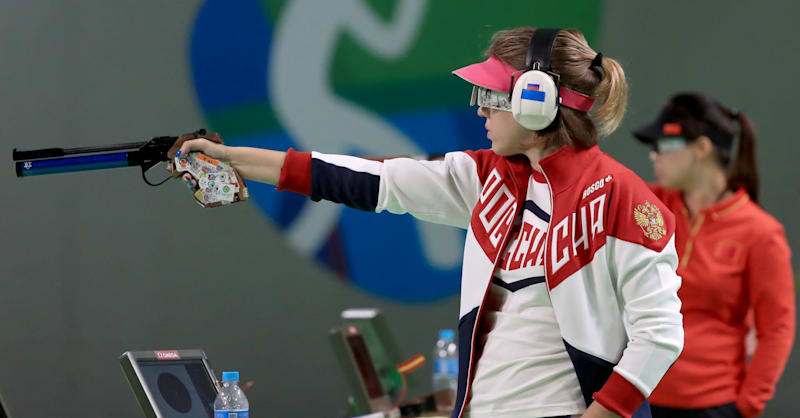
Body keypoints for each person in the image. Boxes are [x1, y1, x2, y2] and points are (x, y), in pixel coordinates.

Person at [169, 28, 683, 418]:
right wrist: (227, 158)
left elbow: (660, 335)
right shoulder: (488, 179)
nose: (480, 111)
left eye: (489, 96)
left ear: (535, 101)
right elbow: (360, 178)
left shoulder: (623, 201)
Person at [632, 93, 795, 418]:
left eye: (664, 145)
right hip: (636, 398)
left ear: (702, 148)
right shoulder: (647, 205)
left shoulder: (761, 232)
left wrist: (746, 406)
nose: (655, 156)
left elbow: (776, 328)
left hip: (712, 407)